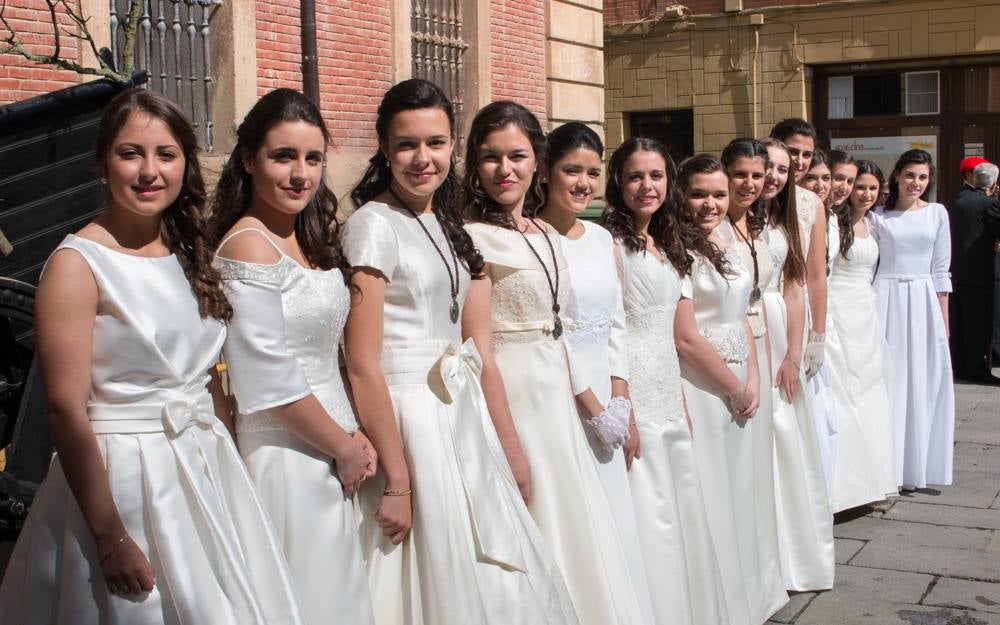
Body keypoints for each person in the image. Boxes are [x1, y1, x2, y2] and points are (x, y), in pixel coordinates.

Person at [0, 89, 305, 624]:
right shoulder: (77, 264)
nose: (149, 170)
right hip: (124, 481)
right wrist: (110, 535)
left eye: (166, 154)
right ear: (102, 163)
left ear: (185, 164)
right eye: (130, 153)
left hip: (205, 468)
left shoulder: (187, 253)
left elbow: (207, 376)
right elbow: (65, 408)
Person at [342, 79, 578, 625]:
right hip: (407, 418)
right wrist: (398, 480)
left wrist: (506, 444)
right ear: (383, 147)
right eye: (406, 144)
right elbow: (361, 363)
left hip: (456, 408)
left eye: (435, 142)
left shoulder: (439, 221)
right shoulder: (373, 226)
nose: (422, 158)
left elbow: (470, 341)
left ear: (452, 147)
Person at [463, 112, 644, 625]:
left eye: (517, 156)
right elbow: (478, 349)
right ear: (474, 163)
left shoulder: (546, 233)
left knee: (573, 523)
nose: (505, 169)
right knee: (530, 512)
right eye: (490, 156)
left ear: (536, 163)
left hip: (556, 392)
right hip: (509, 391)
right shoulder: (472, 236)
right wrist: (509, 444)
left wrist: (601, 399)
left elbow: (564, 326)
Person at [208, 88, 376, 625]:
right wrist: (344, 447)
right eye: (283, 156)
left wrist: (353, 436)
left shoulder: (305, 236)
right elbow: (267, 380)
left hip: (330, 450)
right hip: (286, 455)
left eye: (312, 158)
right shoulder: (248, 245)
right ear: (248, 160)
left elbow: (328, 354)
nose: (301, 173)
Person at [530, 119, 656, 625]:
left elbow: (618, 324)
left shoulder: (603, 237)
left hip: (609, 393)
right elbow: (548, 331)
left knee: (616, 518)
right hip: (560, 398)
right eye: (570, 170)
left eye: (591, 172)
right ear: (545, 172)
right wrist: (592, 407)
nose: (582, 182)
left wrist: (622, 402)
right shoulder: (532, 239)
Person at [601, 137, 729, 625]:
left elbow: (678, 331)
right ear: (618, 182)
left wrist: (678, 393)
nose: (646, 186)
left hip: (667, 391)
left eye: (656, 176)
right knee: (648, 511)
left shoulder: (667, 241)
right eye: (635, 176)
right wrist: (623, 403)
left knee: (680, 510)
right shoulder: (609, 244)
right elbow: (611, 330)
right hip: (633, 389)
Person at [675, 154, 788, 625]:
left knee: (747, 487)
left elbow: (742, 310)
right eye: (699, 193)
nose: (710, 204)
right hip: (702, 383)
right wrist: (732, 389)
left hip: (745, 375)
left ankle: (749, 593)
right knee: (713, 489)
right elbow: (684, 337)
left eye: (718, 194)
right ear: (681, 196)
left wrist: (754, 377)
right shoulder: (675, 247)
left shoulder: (727, 241)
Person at [759, 138, 834, 591]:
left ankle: (791, 552)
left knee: (785, 435)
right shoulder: (731, 208)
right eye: (767, 165)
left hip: (782, 329)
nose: (773, 175)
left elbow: (805, 278)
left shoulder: (798, 213)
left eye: (783, 169)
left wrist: (807, 342)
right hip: (743, 329)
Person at [720, 138, 789, 619]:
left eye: (757, 176)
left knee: (761, 462)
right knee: (734, 463)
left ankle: (763, 572)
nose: (749, 184)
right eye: (740, 174)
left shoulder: (757, 228)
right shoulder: (712, 228)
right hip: (729, 346)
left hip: (764, 340)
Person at [872, 149, 955, 489]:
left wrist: (943, 320)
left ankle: (918, 465)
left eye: (922, 177)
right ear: (896, 176)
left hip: (923, 302)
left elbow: (941, 270)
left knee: (922, 380)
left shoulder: (937, 213)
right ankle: (885, 465)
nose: (916, 183)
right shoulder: (878, 216)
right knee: (890, 379)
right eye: (910, 175)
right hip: (885, 298)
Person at [770, 119, 835, 502]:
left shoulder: (811, 204)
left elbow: (814, 274)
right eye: (792, 151)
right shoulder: (755, 192)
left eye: (806, 154)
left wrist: (818, 334)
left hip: (792, 312)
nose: (798, 160)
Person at [827, 159, 898, 509]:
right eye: (859, 186)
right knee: (844, 394)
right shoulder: (832, 224)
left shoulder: (873, 223)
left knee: (871, 393)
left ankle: (875, 478)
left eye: (871, 187)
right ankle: (845, 488)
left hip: (866, 315)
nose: (865, 194)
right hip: (838, 312)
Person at [948, 161, 1000, 384]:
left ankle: (960, 367)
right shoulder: (988, 204)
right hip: (979, 274)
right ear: (993, 182)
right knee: (978, 324)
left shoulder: (958, 201)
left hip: (958, 273)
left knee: (960, 324)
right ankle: (978, 369)